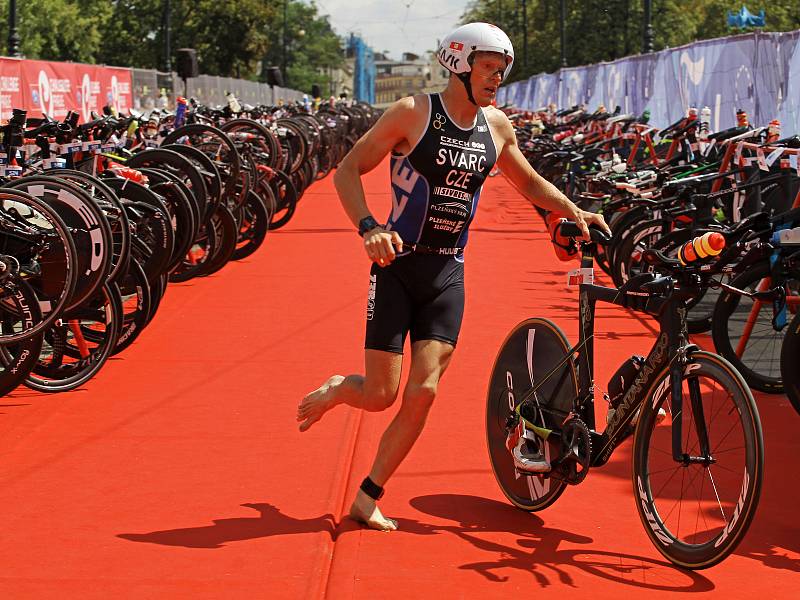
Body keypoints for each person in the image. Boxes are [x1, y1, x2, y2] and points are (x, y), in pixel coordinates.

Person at [296, 22, 610, 531]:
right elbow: (348, 171)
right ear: (460, 63)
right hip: (396, 267)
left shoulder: (497, 126)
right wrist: (369, 228)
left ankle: (368, 494)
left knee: (424, 392)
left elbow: (527, 180)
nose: (497, 79)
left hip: (448, 271)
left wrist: (575, 211)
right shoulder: (413, 114)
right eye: (489, 69)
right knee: (381, 395)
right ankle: (339, 388)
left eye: (502, 71)